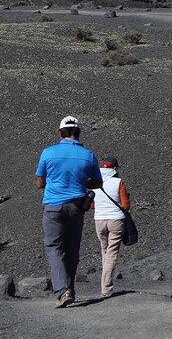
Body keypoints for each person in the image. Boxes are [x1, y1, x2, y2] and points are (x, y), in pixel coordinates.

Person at [35, 116, 102, 307]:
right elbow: (98, 182)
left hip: (53, 207)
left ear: (60, 133)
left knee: (54, 248)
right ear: (78, 132)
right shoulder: (88, 155)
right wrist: (81, 182)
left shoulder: (48, 153)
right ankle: (69, 289)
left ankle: (63, 290)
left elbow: (39, 182)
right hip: (76, 207)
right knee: (72, 249)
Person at [90, 156, 129, 297]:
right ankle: (106, 287)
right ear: (115, 168)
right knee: (112, 253)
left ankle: (105, 284)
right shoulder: (118, 182)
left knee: (104, 251)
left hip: (99, 220)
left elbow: (92, 204)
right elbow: (125, 205)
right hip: (116, 220)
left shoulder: (95, 183)